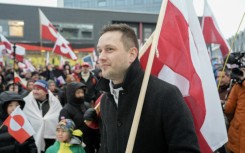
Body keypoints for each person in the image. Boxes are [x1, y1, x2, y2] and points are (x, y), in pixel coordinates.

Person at [94, 23, 200, 153]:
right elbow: (105, 148)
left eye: (109, 49)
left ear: (132, 54)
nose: (101, 57)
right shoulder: (105, 101)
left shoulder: (166, 95)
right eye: (100, 51)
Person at [59, 82, 100, 153]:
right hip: (76, 145)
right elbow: (65, 131)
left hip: (91, 142)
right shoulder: (66, 110)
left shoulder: (87, 105)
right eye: (78, 93)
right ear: (71, 94)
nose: (81, 95)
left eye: (82, 92)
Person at [23, 80, 62, 153]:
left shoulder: (54, 102)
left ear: (45, 91)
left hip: (50, 140)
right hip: (33, 140)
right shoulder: (26, 102)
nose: (35, 91)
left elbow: (59, 117)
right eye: (34, 89)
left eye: (38, 89)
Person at [224, 68, 245, 153]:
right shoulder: (238, 86)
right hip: (236, 138)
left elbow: (228, 109)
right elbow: (229, 108)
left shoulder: (238, 86)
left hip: (236, 139)